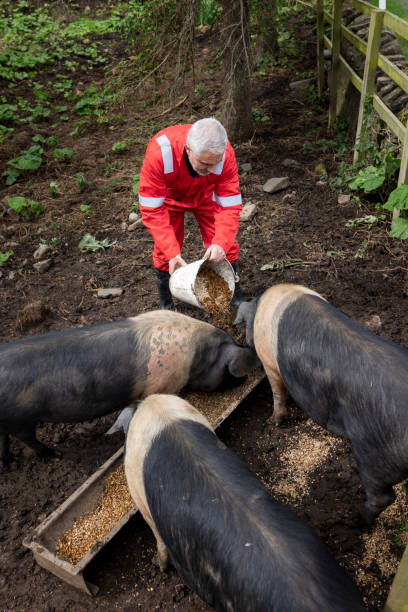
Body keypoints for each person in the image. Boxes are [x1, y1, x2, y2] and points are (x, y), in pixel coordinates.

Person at [138, 117, 243, 310]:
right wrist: (171, 253)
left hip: (206, 193)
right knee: (165, 251)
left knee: (225, 247)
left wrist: (221, 243)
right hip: (169, 197)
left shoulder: (224, 152)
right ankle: (166, 305)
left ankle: (235, 301)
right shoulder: (160, 152)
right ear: (188, 149)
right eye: (205, 163)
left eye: (215, 163)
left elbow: (229, 204)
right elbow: (152, 209)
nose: (211, 169)